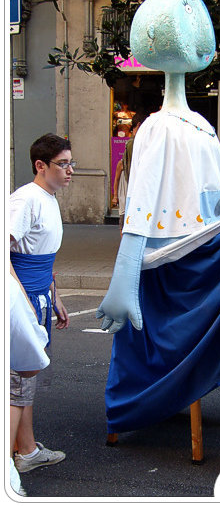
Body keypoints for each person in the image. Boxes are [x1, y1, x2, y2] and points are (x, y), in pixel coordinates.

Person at [10, 133, 74, 472]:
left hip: (38, 297)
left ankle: (27, 450)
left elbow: (42, 257)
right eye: (63, 164)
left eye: (70, 163)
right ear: (40, 165)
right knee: (19, 379)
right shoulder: (26, 200)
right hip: (23, 302)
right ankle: (10, 465)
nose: (70, 170)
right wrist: (21, 301)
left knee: (24, 377)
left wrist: (55, 295)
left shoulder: (47, 197)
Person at [9, 266, 50, 496]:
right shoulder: (11, 293)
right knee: (15, 391)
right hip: (22, 298)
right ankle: (25, 451)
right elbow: (29, 368)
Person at [112, 111, 148, 233]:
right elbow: (133, 169)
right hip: (131, 188)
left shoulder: (134, 142)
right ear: (139, 125)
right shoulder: (134, 143)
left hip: (131, 188)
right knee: (128, 220)